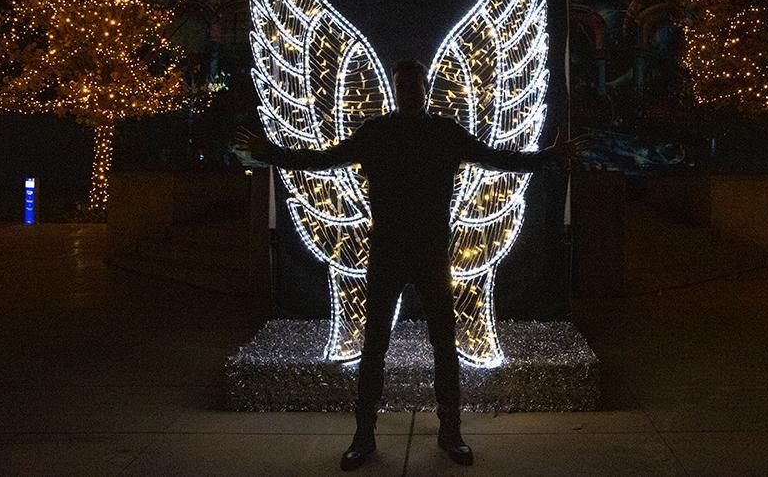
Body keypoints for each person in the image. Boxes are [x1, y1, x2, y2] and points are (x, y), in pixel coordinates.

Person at [234, 58, 582, 471]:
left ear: (426, 88)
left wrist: (548, 157)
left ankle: (450, 432)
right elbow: (324, 160)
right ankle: (364, 436)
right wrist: (272, 153)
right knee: (373, 347)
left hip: (431, 252)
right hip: (388, 253)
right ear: (395, 90)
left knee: (444, 347)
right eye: (403, 87)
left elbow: (499, 160)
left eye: (415, 86)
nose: (410, 93)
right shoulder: (377, 132)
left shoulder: (445, 133)